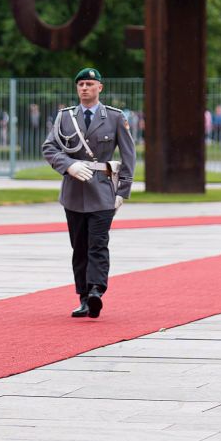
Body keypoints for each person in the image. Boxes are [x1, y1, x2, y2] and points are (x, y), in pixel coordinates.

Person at [42, 68, 135, 318]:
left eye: (89, 84)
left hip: (103, 191)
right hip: (73, 191)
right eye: (81, 84)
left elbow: (128, 155)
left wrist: (123, 191)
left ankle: (96, 290)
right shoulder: (65, 117)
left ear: (99, 88)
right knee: (79, 246)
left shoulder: (115, 117)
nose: (84, 88)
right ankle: (83, 296)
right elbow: (49, 148)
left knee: (98, 243)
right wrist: (68, 165)